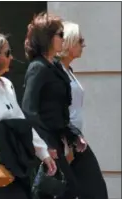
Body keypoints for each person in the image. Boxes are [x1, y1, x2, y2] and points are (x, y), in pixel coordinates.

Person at [0, 31, 56, 199]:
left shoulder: (7, 85)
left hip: (16, 159)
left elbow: (21, 123)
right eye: (7, 53)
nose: (11, 57)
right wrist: (4, 132)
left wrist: (43, 153)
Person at [22, 12, 87, 199]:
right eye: (60, 34)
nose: (63, 39)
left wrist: (73, 135)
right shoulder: (37, 68)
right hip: (46, 141)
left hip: (58, 139)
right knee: (62, 190)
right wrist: (44, 146)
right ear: (48, 38)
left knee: (64, 190)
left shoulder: (55, 66)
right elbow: (29, 110)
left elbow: (59, 109)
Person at [57, 21, 108, 199]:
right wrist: (67, 145)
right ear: (69, 42)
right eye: (80, 40)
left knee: (89, 190)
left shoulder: (67, 70)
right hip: (66, 142)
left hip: (75, 139)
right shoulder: (56, 72)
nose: (83, 45)